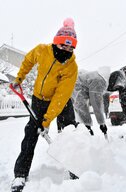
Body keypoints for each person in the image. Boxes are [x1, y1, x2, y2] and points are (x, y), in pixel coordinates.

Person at [11, 18, 78, 192]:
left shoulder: (71, 67)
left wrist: (47, 121)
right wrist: (19, 78)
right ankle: (20, 173)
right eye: (64, 46)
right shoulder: (42, 51)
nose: (67, 51)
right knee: (30, 135)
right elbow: (27, 61)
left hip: (61, 103)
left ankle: (76, 168)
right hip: (39, 100)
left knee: (69, 133)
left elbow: (61, 95)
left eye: (71, 48)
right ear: (56, 42)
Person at [72, 67, 111, 136]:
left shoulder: (99, 78)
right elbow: (96, 104)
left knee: (82, 109)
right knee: (82, 109)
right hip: (76, 88)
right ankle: (87, 131)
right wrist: (102, 123)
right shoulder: (99, 81)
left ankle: (87, 131)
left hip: (77, 87)